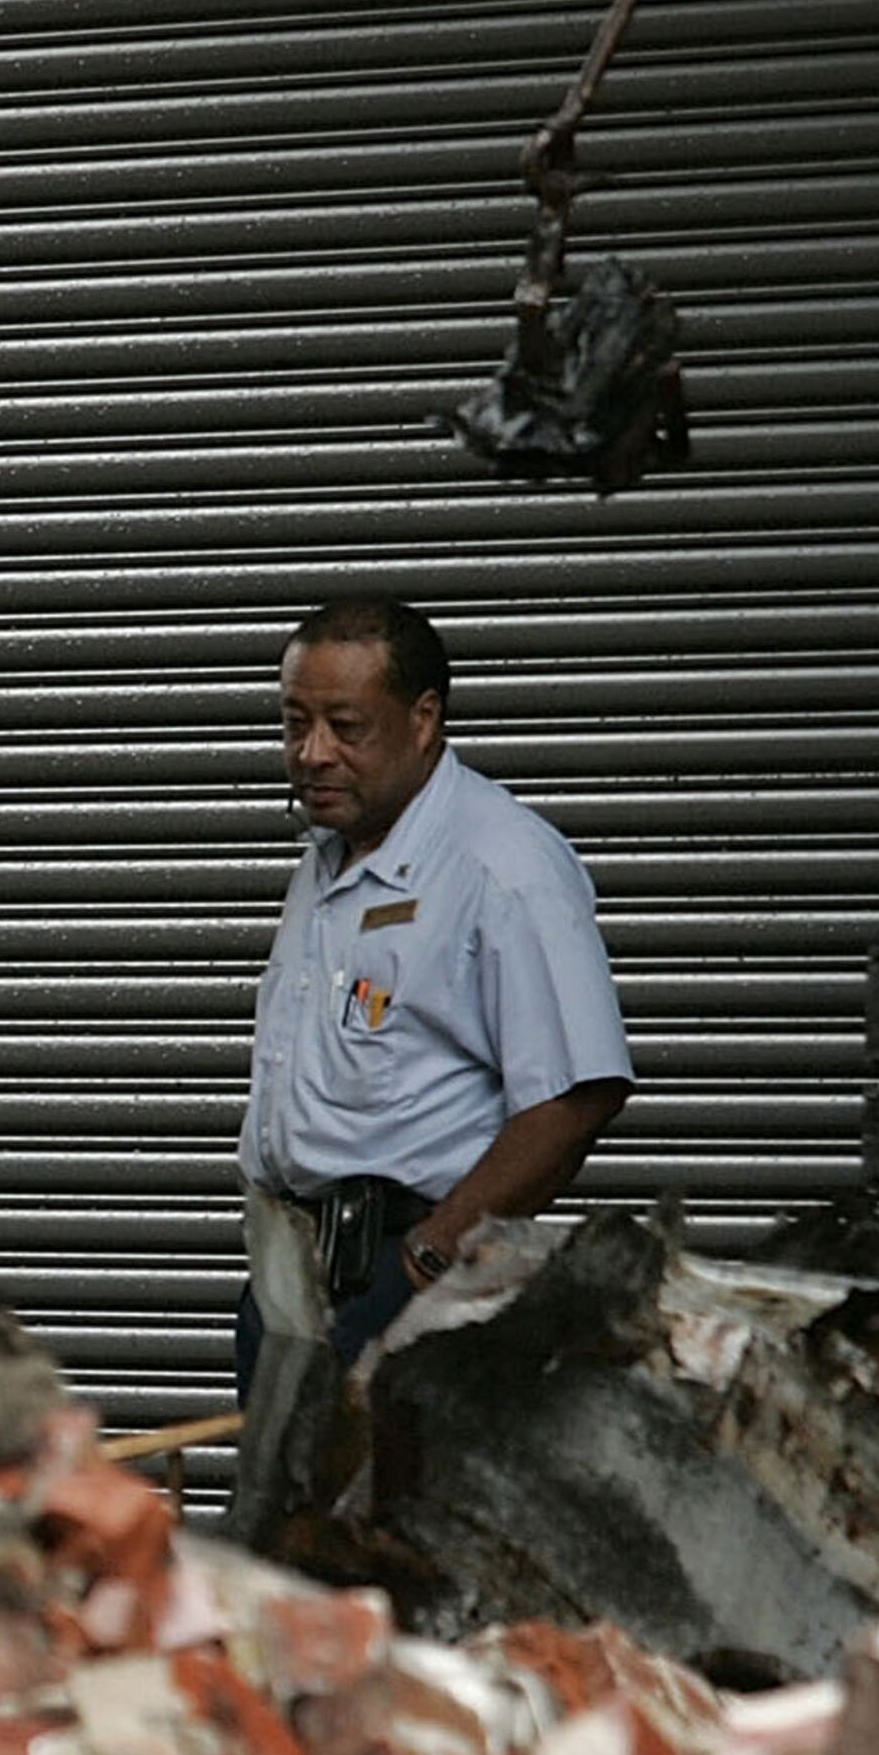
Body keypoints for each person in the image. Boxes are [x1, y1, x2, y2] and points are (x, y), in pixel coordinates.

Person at [230, 595, 634, 1532]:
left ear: (424, 719)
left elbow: (576, 1094)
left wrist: (428, 1258)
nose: (312, 753)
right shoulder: (329, 858)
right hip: (295, 1280)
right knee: (286, 1555)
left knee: (392, 1557)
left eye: (346, 727)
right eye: (295, 723)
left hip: (405, 1278)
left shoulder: (500, 865)